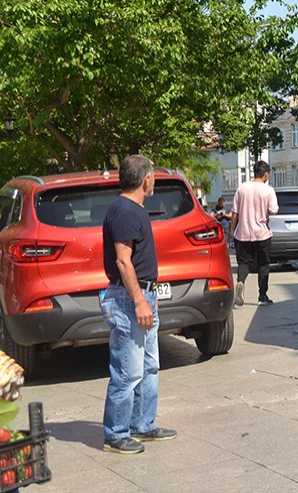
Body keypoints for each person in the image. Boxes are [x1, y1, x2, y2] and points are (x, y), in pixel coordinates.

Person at [100, 155, 177, 455]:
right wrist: (139, 301)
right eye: (153, 176)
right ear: (146, 179)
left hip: (146, 296)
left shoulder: (134, 210)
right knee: (127, 371)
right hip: (129, 299)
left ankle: (142, 424)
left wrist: (148, 299)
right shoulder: (124, 211)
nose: (154, 181)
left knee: (149, 367)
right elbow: (123, 261)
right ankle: (116, 434)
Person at [231, 160, 279, 306]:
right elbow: (274, 210)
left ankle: (240, 282)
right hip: (262, 234)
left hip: (242, 233)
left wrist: (232, 232)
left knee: (243, 263)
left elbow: (234, 213)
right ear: (265, 175)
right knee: (263, 264)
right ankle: (262, 296)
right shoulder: (268, 190)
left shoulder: (242, 188)